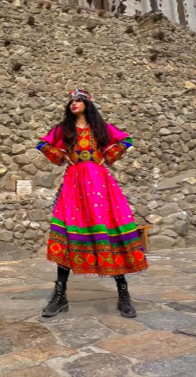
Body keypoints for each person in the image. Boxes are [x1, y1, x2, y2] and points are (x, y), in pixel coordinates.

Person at [36, 89, 148, 318]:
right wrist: (60, 155)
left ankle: (123, 293)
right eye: (71, 101)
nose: (73, 104)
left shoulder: (100, 128)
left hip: (99, 183)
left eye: (78, 101)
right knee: (67, 232)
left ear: (88, 104)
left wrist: (110, 155)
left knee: (109, 230)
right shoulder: (63, 130)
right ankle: (60, 296)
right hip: (74, 183)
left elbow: (127, 140)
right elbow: (42, 145)